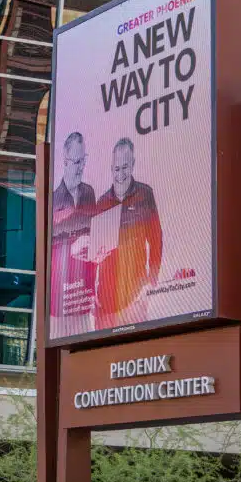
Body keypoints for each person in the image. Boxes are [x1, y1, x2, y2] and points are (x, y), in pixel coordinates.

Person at [93, 137, 163, 330]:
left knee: (138, 353)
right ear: (111, 168)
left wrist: (151, 282)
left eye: (125, 167)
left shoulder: (145, 194)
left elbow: (156, 239)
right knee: (103, 357)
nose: (120, 174)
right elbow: (96, 254)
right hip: (105, 301)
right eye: (116, 168)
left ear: (132, 164)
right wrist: (92, 291)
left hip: (135, 297)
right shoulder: (102, 202)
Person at [50, 132, 96, 338]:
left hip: (84, 297)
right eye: (76, 162)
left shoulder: (89, 193)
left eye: (83, 161)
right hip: (60, 300)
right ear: (65, 161)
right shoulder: (53, 200)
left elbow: (93, 234)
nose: (81, 168)